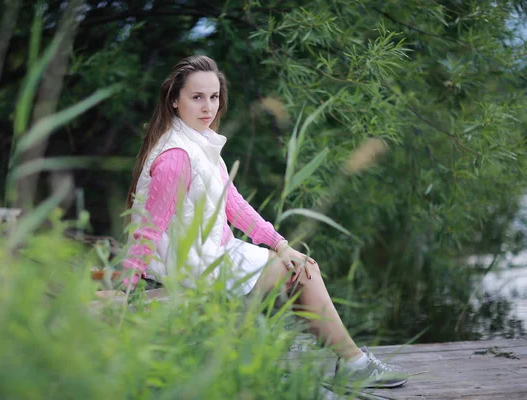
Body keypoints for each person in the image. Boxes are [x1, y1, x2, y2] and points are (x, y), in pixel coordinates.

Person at [122, 55, 409, 388]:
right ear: (174, 100)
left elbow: (234, 204)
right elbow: (147, 230)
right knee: (297, 273)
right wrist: (127, 289)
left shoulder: (199, 144)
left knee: (302, 266)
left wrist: (280, 243)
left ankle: (342, 362)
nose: (208, 106)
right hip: (192, 266)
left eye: (214, 97)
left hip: (216, 251)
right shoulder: (176, 157)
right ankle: (345, 364)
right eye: (196, 97)